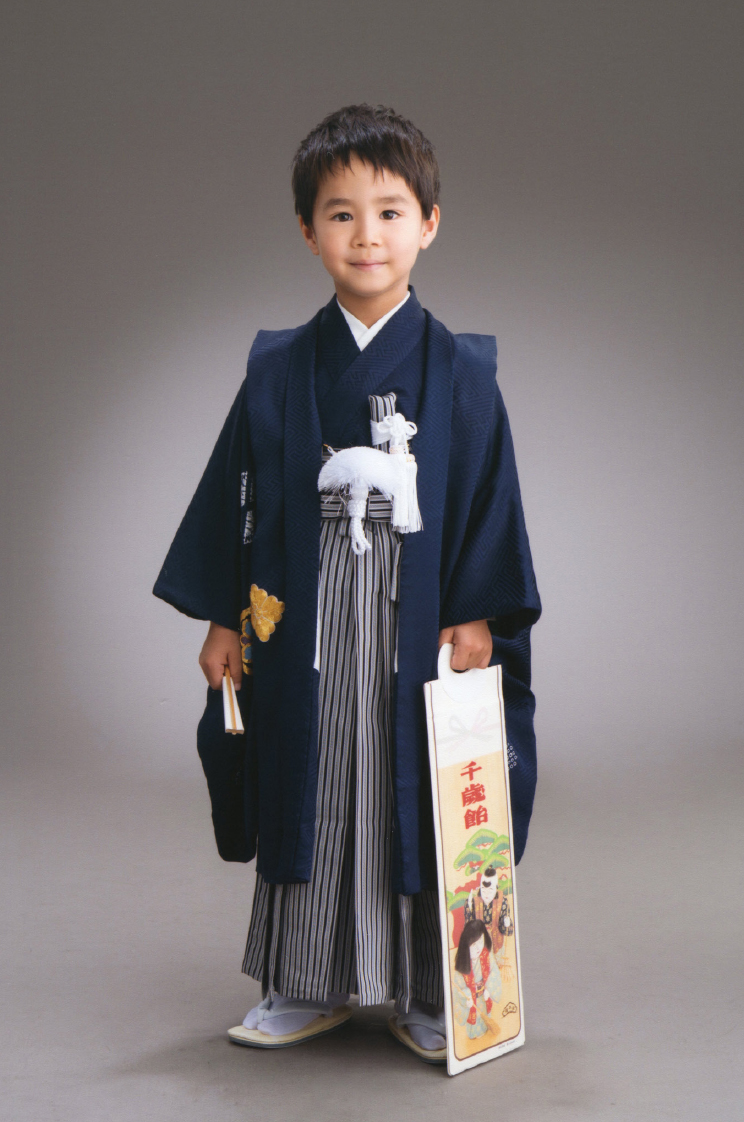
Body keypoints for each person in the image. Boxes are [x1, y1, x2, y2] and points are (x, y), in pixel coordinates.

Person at [153, 104, 541, 1060]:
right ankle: (303, 979)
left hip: (419, 624)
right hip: (305, 621)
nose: (367, 235)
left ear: (431, 222)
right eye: (340, 214)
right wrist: (222, 615)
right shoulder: (279, 366)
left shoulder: (461, 371)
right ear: (306, 230)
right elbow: (232, 493)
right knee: (313, 778)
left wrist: (477, 611)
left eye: (390, 210)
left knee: (410, 781)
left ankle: (423, 985)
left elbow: (490, 495)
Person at [452, 920, 502, 1041]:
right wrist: (466, 998)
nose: (478, 947)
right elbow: (458, 988)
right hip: (472, 998)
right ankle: (474, 1033)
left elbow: (494, 972)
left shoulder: (486, 955)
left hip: (483, 996)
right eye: (473, 945)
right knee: (474, 1025)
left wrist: (489, 989)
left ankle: (486, 1027)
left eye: (480, 941)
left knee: (485, 1014)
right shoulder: (462, 966)